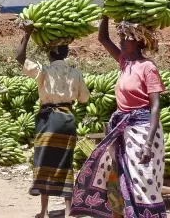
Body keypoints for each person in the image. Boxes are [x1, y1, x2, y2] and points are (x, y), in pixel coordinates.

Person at [70, 17, 167, 218]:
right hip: (123, 128)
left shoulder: (147, 66)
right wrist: (105, 14)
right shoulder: (124, 62)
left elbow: (155, 106)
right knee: (119, 179)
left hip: (143, 130)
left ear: (138, 41)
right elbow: (103, 38)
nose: (121, 41)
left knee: (143, 181)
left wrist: (148, 144)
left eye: (126, 38)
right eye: (121, 37)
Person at [15, 22, 90, 218]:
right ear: (65, 54)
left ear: (51, 53)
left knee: (44, 162)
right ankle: (68, 210)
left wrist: (27, 33)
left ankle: (43, 211)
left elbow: (19, 57)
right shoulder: (75, 73)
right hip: (67, 120)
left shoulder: (44, 71)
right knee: (65, 163)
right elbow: (84, 99)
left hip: (48, 120)